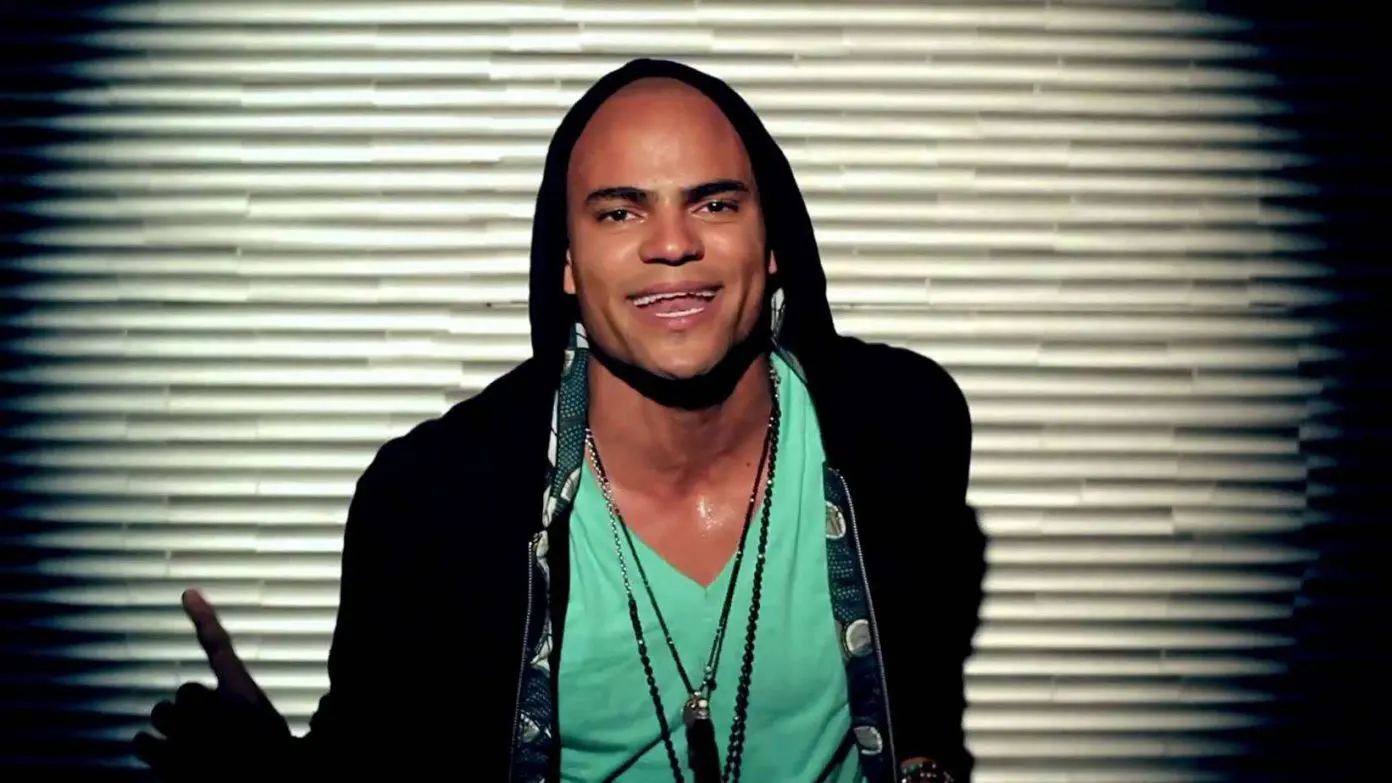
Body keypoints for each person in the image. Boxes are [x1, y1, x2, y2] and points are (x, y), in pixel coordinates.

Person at [132, 58, 985, 783]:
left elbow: (921, 702)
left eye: (715, 204)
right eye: (620, 211)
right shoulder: (434, 502)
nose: (672, 243)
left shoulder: (901, 432)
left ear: (773, 245)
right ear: (567, 263)